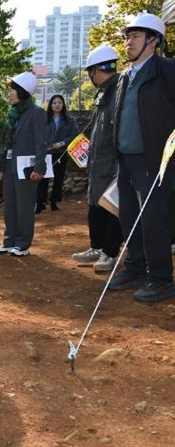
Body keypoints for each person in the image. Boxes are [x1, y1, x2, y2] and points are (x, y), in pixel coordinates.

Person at [107, 13, 175, 302]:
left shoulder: (167, 71)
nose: (128, 42)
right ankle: (135, 267)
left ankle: (160, 278)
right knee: (128, 216)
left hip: (155, 161)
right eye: (126, 37)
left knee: (153, 219)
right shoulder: (125, 76)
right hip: (126, 159)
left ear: (153, 40)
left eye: (135, 36)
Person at [71, 45, 123, 273]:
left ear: (95, 70)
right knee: (95, 205)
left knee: (112, 207)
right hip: (98, 161)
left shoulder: (119, 89)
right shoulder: (104, 92)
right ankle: (97, 246)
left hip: (112, 162)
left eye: (90, 72)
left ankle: (109, 253)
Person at [0, 72, 46, 257]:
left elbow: (41, 142)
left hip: (26, 167)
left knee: (24, 206)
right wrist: (1, 166)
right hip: (10, 165)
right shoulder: (11, 112)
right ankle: (9, 240)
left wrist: (39, 167)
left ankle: (23, 243)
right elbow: (5, 143)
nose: (8, 94)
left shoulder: (37, 113)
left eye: (12, 91)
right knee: (9, 205)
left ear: (22, 92)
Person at [36, 94, 79, 213]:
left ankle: (54, 201)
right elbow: (37, 133)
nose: (57, 105)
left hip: (61, 153)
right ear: (50, 105)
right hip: (46, 153)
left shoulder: (69, 120)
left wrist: (62, 143)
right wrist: (44, 144)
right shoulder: (44, 119)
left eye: (60, 102)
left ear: (63, 105)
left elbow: (75, 134)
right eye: (54, 103)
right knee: (43, 177)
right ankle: (39, 202)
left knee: (58, 178)